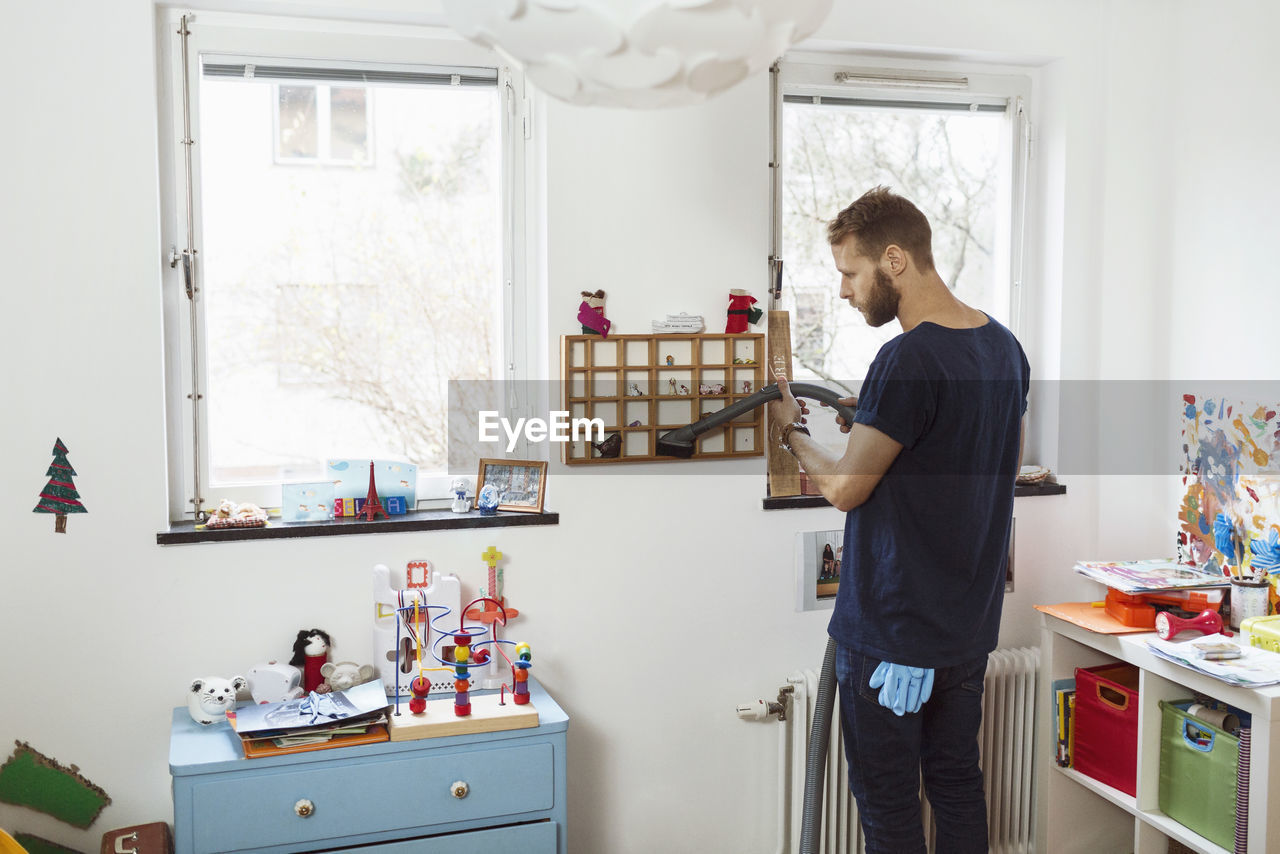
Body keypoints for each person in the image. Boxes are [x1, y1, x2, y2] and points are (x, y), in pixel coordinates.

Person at [768, 187, 1028, 854]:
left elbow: (847, 490)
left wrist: (792, 432)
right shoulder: (1003, 348)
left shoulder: (906, 359)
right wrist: (878, 419)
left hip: (891, 634)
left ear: (894, 260)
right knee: (956, 788)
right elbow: (985, 456)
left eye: (850, 274)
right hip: (964, 634)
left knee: (888, 810)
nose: (849, 292)